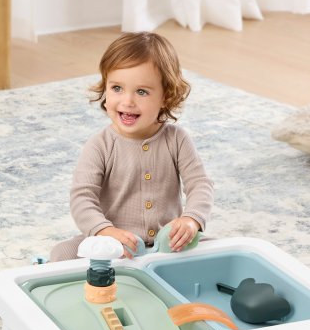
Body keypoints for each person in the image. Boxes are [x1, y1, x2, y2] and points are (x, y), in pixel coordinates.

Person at [50, 31, 213, 261]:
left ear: (166, 97)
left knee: (218, 250)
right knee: (62, 254)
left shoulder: (177, 139)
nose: (127, 101)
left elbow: (200, 184)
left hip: (169, 246)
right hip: (114, 247)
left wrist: (191, 220)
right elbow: (82, 197)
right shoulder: (99, 145)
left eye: (141, 92)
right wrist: (104, 231)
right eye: (117, 88)